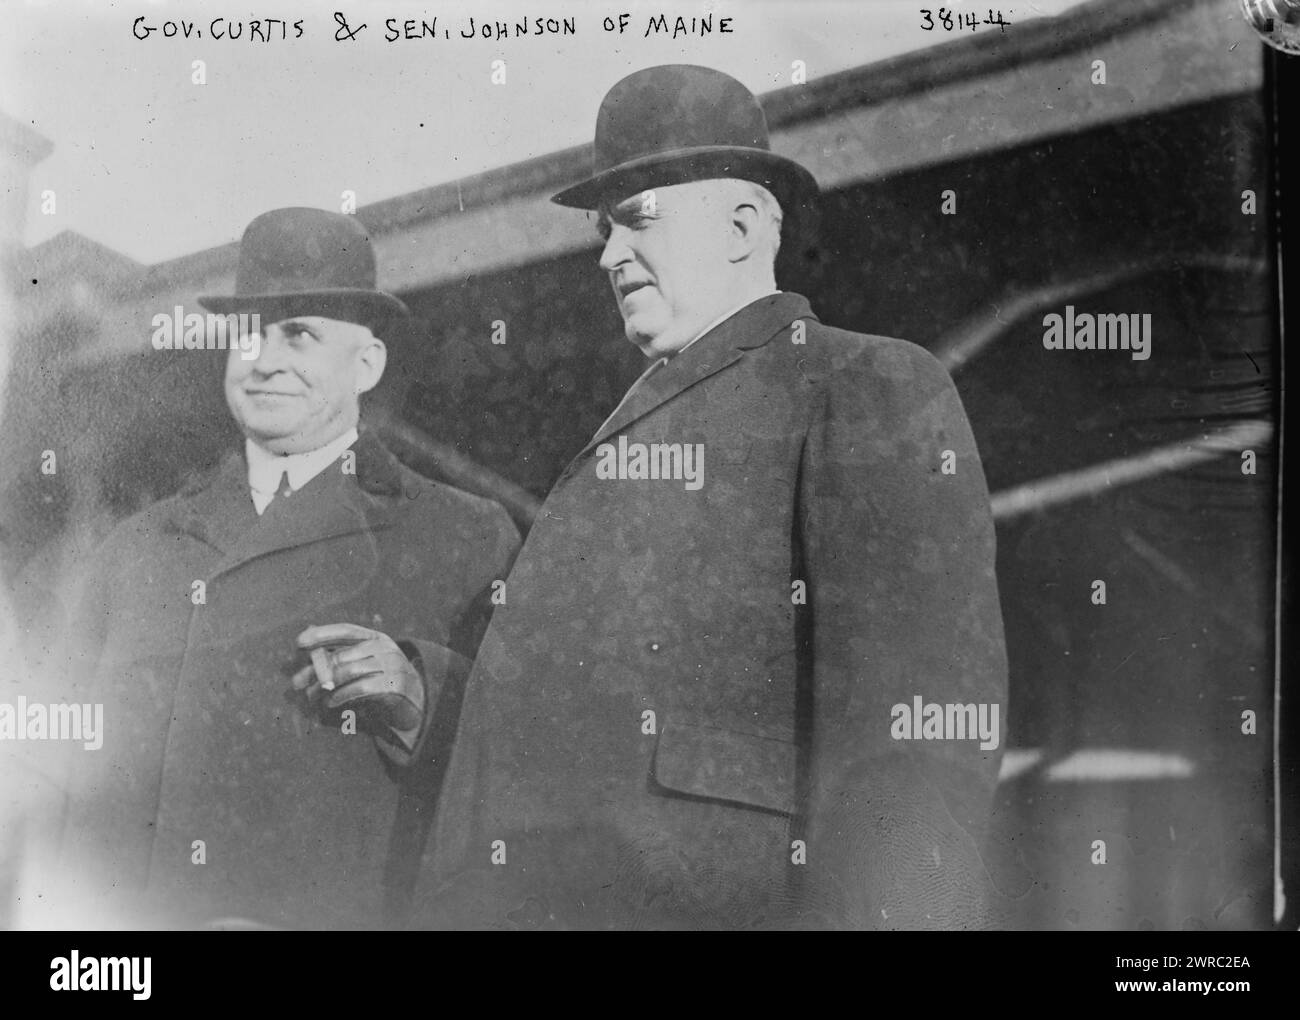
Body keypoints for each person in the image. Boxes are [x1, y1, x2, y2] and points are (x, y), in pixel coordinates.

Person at [409, 65, 1010, 929]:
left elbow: (915, 739)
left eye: (638, 219)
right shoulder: (631, 425)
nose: (610, 255)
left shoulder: (858, 380)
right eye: (602, 233)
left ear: (742, 226)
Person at [57, 207, 519, 929]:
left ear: (367, 364)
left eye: (298, 334)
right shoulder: (134, 547)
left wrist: (421, 692)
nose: (264, 359)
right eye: (248, 334)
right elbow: (53, 784)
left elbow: (526, 769)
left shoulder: (465, 537)